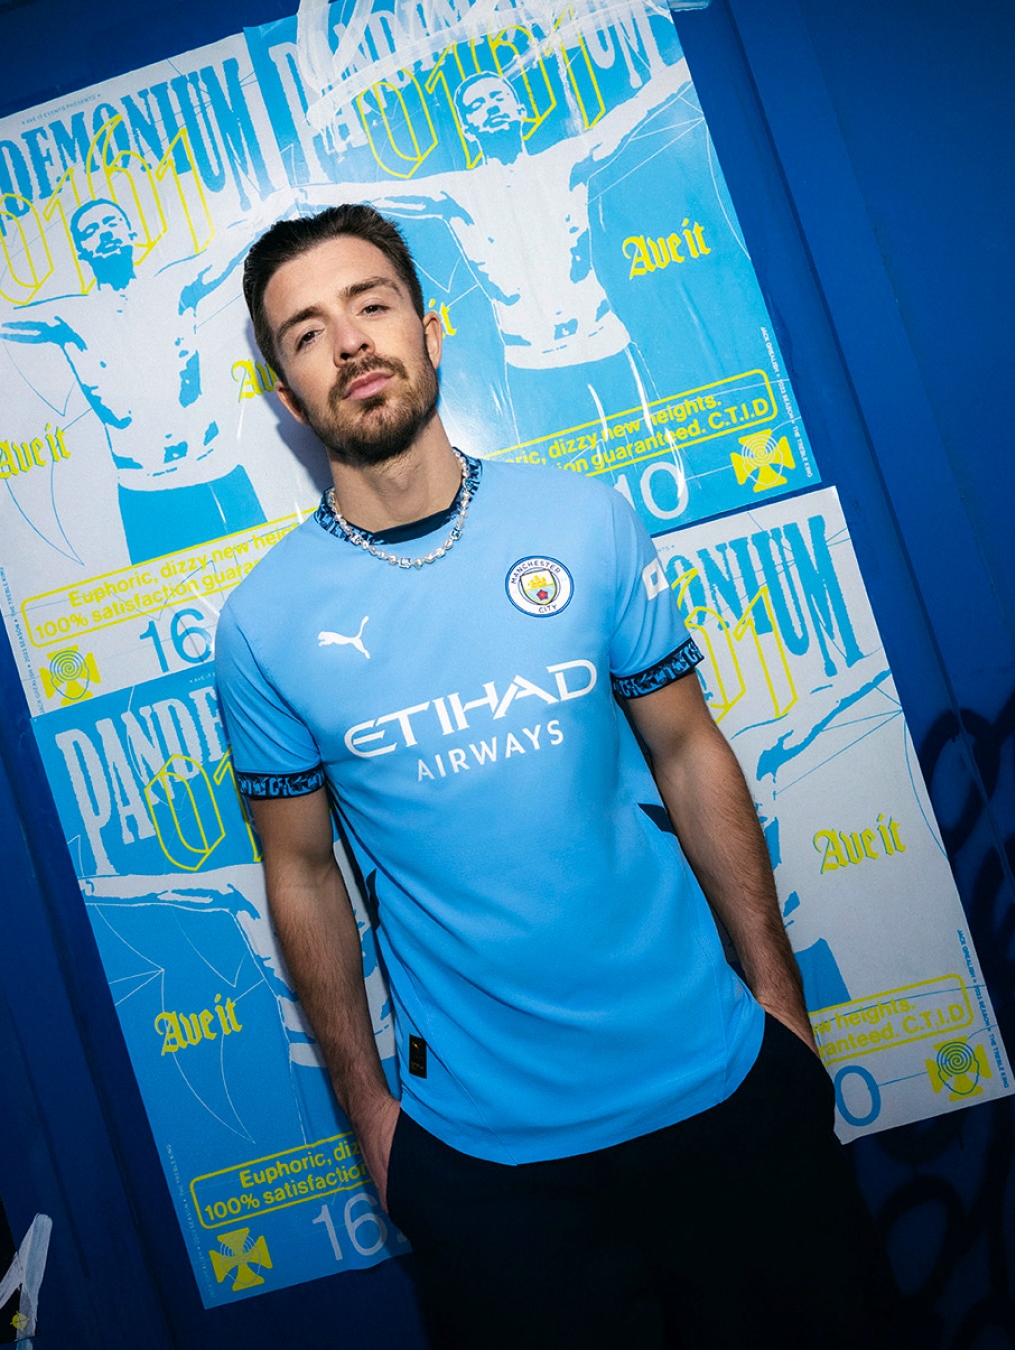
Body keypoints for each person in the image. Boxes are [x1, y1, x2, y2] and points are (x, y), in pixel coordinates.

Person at [214, 204, 899, 1349]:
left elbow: (688, 752)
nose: (351, 341)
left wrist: (782, 1012)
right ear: (287, 396)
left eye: (371, 304)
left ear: (431, 331)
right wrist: (373, 1122)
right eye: (308, 332)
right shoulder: (264, 625)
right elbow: (303, 875)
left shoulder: (583, 521)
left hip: (725, 1099)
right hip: (489, 1177)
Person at [300, 61, 690, 451]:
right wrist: (297, 195)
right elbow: (378, 195)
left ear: (521, 110)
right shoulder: (458, 193)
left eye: (497, 98)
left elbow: (630, 115)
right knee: (543, 477)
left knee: (658, 450)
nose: (490, 107)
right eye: (477, 106)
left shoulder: (565, 163)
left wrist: (678, 71)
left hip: (605, 343)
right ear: (468, 129)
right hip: (532, 367)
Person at [0, 198, 265, 563]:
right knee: (174, 596)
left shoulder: (177, 286)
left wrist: (285, 201)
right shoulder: (70, 318)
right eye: (90, 231)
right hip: (147, 491)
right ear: (81, 251)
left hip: (216, 471)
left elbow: (236, 246)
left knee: (271, 578)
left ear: (131, 233)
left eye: (111, 223)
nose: (104, 233)